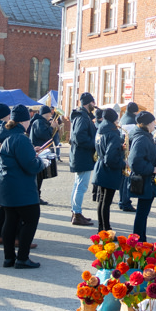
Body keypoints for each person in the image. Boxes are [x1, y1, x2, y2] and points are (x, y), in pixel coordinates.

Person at [0, 104, 45, 269]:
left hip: (5, 185)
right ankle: (22, 258)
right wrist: (42, 161)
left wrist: (31, 152)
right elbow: (31, 165)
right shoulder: (20, 138)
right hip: (20, 187)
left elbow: (0, 157)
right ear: (25, 121)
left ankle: (9, 258)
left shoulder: (2, 136)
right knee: (31, 218)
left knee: (10, 220)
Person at [127, 111, 156, 242]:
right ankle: (138, 242)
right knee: (142, 214)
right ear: (147, 123)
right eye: (153, 122)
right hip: (145, 180)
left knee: (143, 213)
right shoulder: (141, 138)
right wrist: (152, 169)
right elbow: (134, 161)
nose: (155, 124)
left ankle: (141, 240)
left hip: (147, 180)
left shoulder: (145, 136)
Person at [92, 106, 123, 232]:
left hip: (100, 167)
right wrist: (123, 163)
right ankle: (106, 229)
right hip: (109, 170)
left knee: (101, 200)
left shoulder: (100, 130)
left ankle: (101, 228)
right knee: (106, 202)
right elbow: (110, 158)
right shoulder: (113, 134)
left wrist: (119, 147)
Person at [69, 92, 97, 226]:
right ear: (88, 103)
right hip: (82, 156)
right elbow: (79, 137)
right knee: (81, 185)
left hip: (80, 155)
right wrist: (95, 143)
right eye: (93, 103)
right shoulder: (82, 118)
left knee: (78, 185)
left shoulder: (82, 116)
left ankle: (76, 212)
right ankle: (77, 213)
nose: (94, 105)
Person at [29, 105, 57, 205]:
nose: (51, 115)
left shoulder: (41, 122)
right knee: (38, 176)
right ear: (46, 114)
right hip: (39, 152)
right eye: (50, 113)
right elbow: (44, 135)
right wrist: (51, 128)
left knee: (40, 176)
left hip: (41, 151)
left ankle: (37, 196)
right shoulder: (39, 122)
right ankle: (35, 197)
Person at [118, 102, 140, 213]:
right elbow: (132, 137)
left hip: (123, 150)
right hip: (128, 151)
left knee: (123, 179)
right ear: (135, 111)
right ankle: (125, 202)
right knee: (127, 178)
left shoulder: (123, 118)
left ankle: (122, 200)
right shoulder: (131, 121)